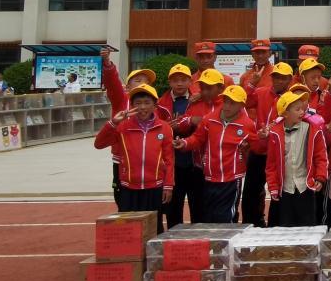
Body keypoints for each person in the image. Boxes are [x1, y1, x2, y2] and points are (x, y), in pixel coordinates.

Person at [94, 84, 173, 233]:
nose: (142, 107)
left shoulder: (164, 128)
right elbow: (99, 144)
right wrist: (113, 123)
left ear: (155, 105)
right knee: (129, 229)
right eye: (138, 103)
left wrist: (168, 185)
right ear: (131, 105)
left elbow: (169, 159)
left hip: (154, 188)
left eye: (147, 102)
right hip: (128, 188)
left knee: (154, 228)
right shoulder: (122, 127)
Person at [175, 85, 258, 224]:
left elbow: (257, 147)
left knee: (225, 218)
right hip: (210, 177)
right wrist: (184, 143)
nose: (227, 106)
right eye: (225, 101)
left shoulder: (247, 124)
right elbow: (197, 138)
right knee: (209, 217)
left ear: (242, 105)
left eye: (232, 103)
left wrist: (256, 143)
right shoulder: (209, 119)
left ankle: (228, 238)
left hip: (232, 178)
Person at [266, 90, 328, 227]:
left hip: (305, 186)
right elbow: (271, 164)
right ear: (285, 113)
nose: (302, 112)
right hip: (285, 188)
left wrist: (320, 177)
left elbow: (321, 156)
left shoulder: (313, 129)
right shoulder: (275, 133)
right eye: (297, 109)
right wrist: (273, 186)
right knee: (285, 226)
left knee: (308, 226)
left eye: (302, 108)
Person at [243, 62, 294, 227]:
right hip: (258, 150)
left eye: (283, 78)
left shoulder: (292, 99)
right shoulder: (261, 92)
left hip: (279, 153)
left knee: (277, 191)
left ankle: (275, 226)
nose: (279, 81)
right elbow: (244, 101)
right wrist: (252, 83)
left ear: (290, 79)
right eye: (276, 77)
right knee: (251, 192)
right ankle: (252, 224)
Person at [158, 64, 200, 227]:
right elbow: (156, 128)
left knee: (198, 208)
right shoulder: (161, 103)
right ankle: (173, 239)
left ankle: (199, 239)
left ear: (190, 81)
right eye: (175, 80)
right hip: (173, 163)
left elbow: (206, 121)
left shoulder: (198, 99)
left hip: (195, 162)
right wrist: (167, 128)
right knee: (173, 210)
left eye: (183, 80)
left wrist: (189, 123)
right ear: (169, 82)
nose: (180, 83)